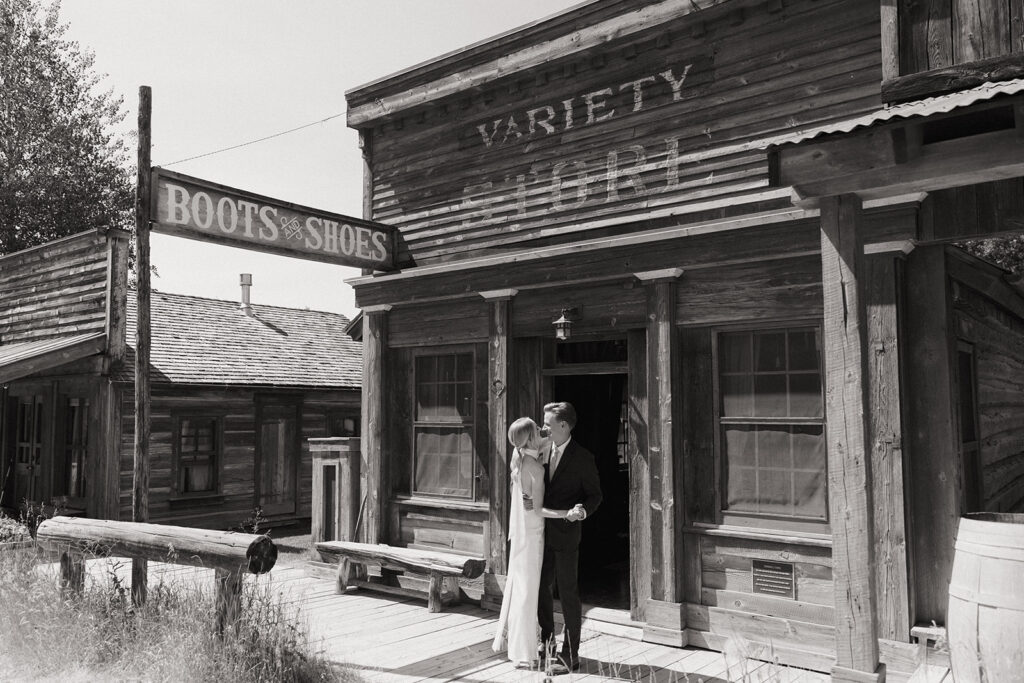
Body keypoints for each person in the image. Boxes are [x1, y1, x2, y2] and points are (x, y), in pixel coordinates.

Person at [491, 417, 575, 668]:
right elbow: (539, 510)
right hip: (532, 536)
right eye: (538, 430)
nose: (543, 431)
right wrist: (566, 513)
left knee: (522, 591)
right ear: (529, 438)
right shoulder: (535, 468)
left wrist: (548, 434)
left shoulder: (519, 461)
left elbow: (543, 442)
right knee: (528, 594)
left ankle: (519, 649)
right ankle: (524, 652)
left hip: (521, 535)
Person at [535, 401, 602, 675]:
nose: (543, 427)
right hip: (539, 534)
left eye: (547, 424)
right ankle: (546, 644)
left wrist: (582, 511)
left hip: (566, 535)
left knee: (568, 594)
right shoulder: (540, 449)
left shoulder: (583, 458)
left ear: (563, 425)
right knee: (541, 589)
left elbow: (595, 495)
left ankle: (571, 655)